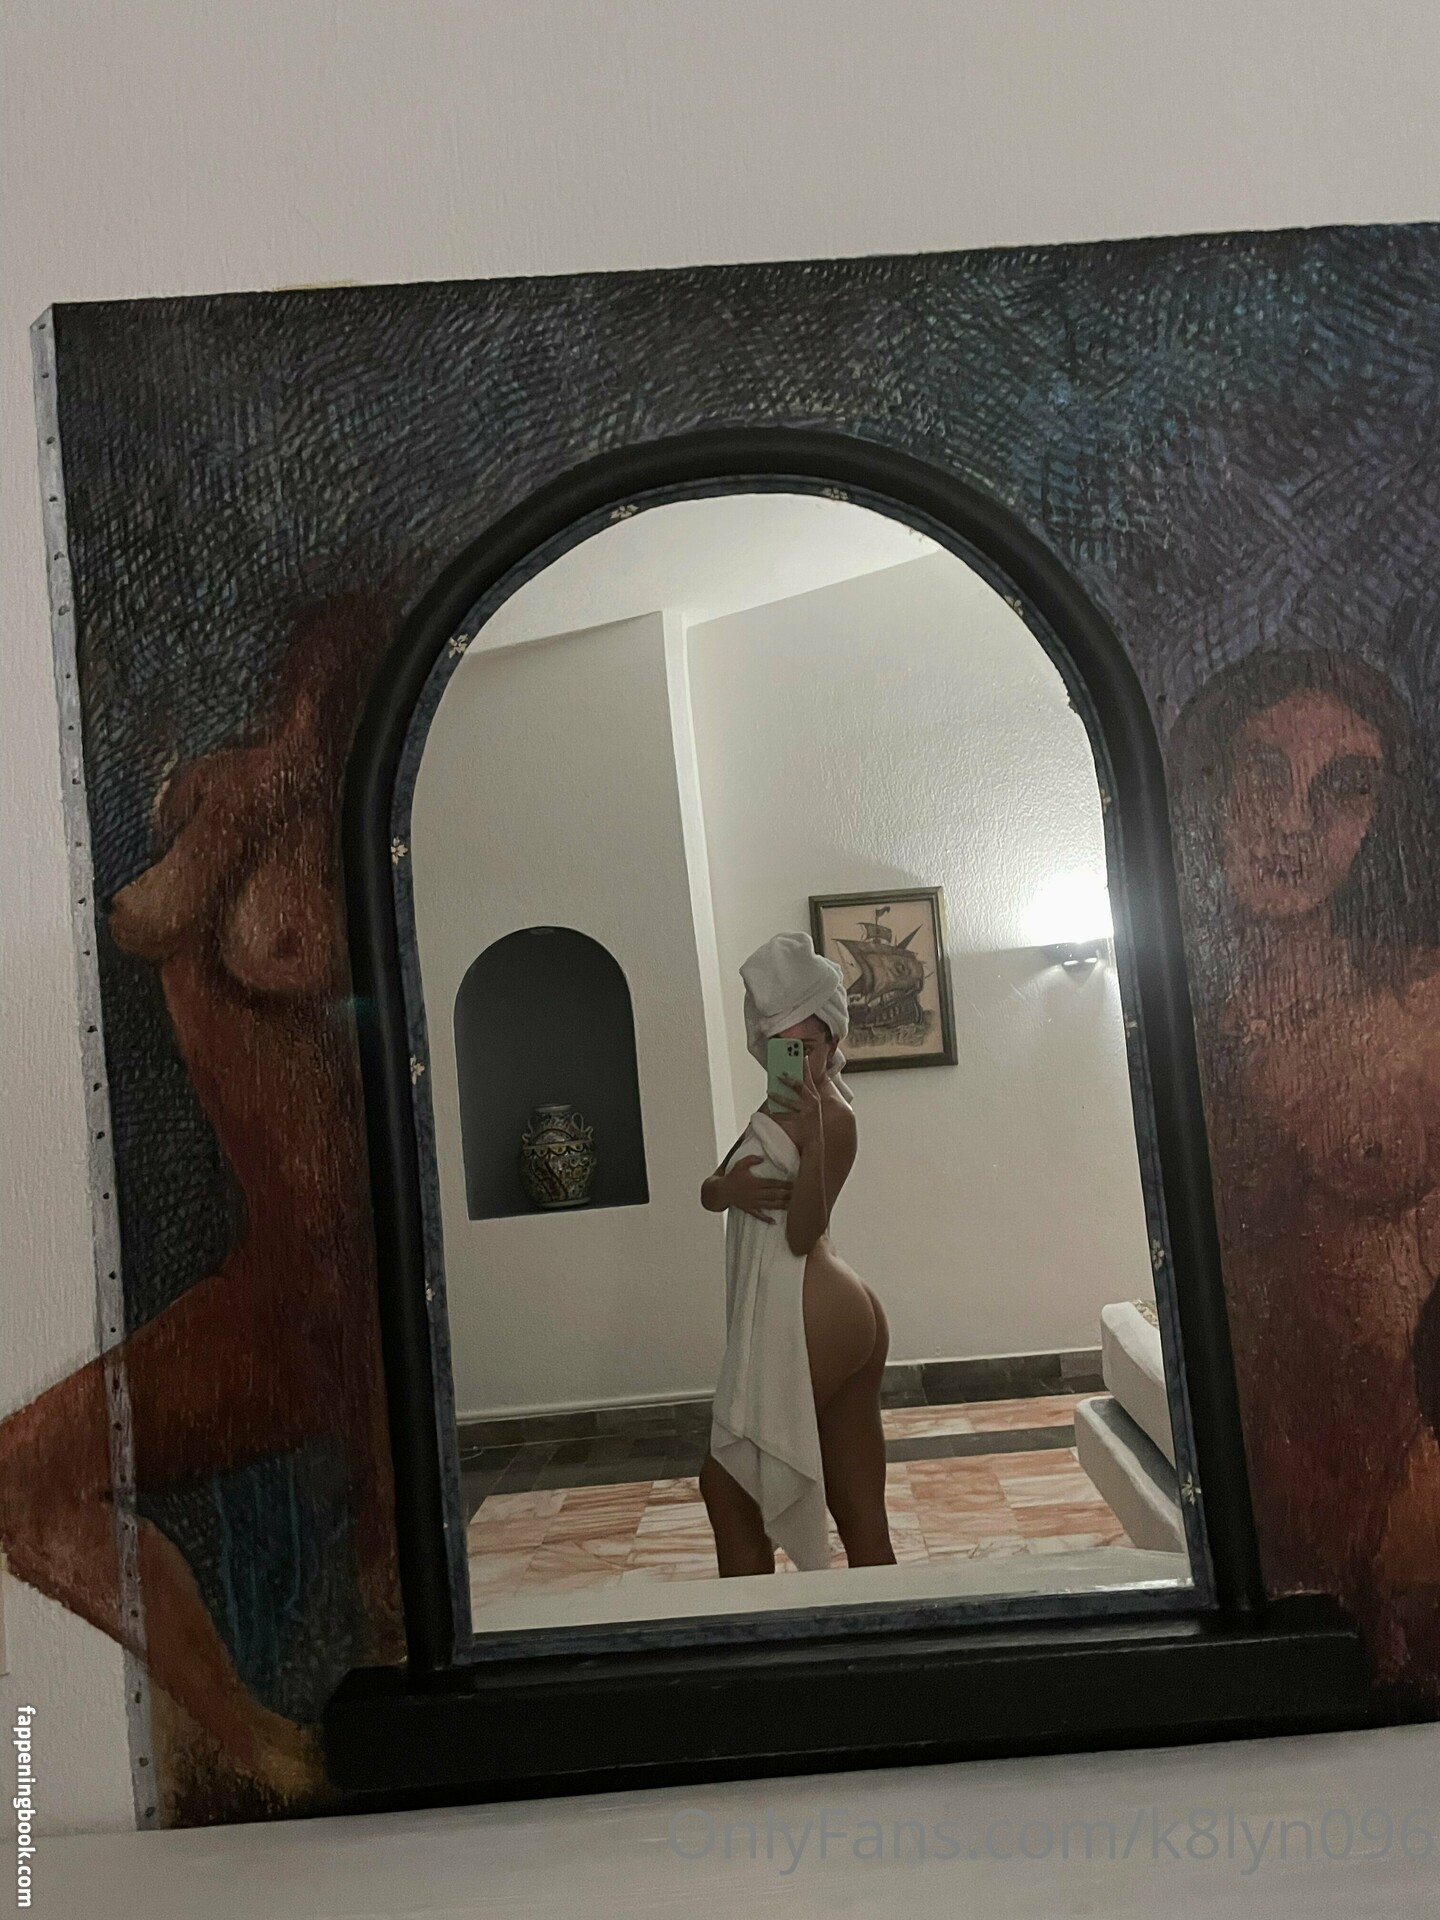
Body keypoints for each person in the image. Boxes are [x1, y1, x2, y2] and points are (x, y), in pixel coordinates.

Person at [1166, 646, 1440, 1694]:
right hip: (1265, 1518)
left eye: (1343, 789)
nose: (1294, 823)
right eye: (1265, 775)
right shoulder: (1176, 1035)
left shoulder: (1417, 1005)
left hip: (1410, 1502)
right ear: (1211, 787)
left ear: (1380, 818)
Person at [695, 931, 895, 1577]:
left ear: (832, 1042)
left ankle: (758, 1631)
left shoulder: (834, 1118)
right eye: (782, 1047)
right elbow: (711, 1191)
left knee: (728, 1488)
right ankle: (887, 1619)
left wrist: (812, 1142)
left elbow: (803, 1232)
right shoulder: (772, 1105)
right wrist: (729, 1189)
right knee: (858, 1508)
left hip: (810, 1309)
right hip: (818, 1311)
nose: (796, 1061)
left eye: (807, 1047)